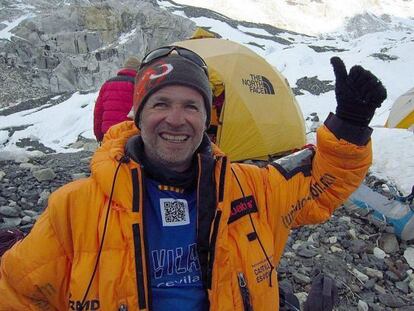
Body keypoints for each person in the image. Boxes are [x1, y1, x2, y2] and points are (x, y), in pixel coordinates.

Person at [0, 45, 386, 310]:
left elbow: (319, 190)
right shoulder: (75, 206)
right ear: (137, 115)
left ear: (207, 119)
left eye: (191, 106)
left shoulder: (251, 188)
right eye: (161, 103)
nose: (175, 118)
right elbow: (17, 294)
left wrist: (349, 126)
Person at [93, 56, 141, 142]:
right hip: (129, 134)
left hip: (108, 134)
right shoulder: (138, 84)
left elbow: (98, 112)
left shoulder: (107, 84)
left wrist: (99, 136)